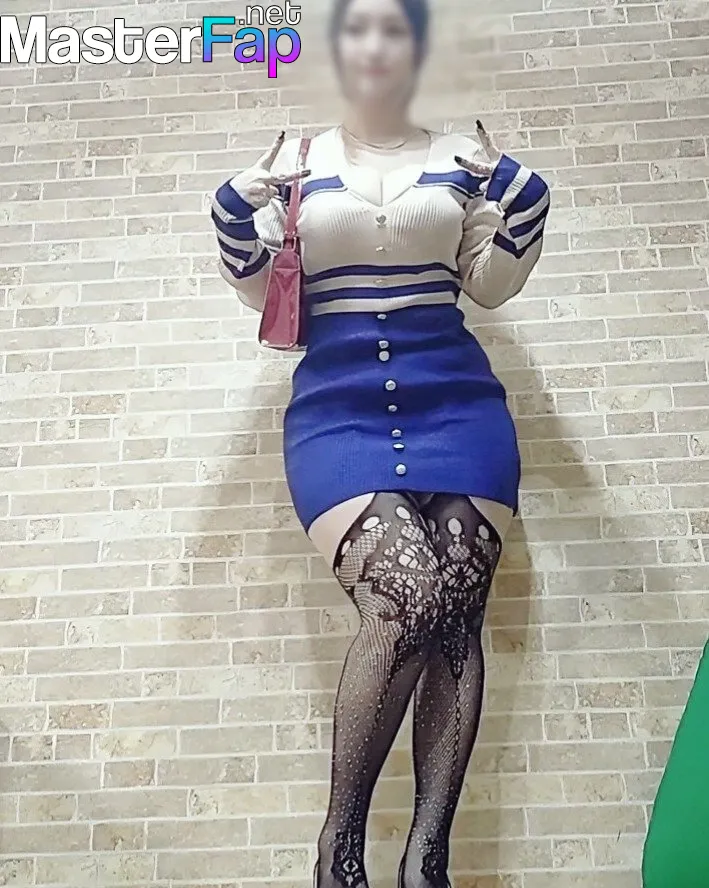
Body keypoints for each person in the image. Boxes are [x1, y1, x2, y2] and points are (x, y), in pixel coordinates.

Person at [210, 0, 550, 884]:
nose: (373, 44)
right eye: (356, 28)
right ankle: (341, 849)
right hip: (340, 408)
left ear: (417, 47)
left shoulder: (460, 159)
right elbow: (266, 297)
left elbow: (489, 287)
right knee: (405, 600)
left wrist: (523, 197)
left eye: (393, 28)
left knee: (457, 616)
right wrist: (233, 212)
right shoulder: (297, 163)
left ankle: (427, 857)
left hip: (460, 408)